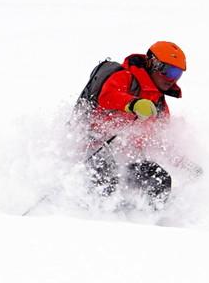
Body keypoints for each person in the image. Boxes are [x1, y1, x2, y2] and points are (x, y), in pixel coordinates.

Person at [76, 41, 189, 208]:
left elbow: (162, 140)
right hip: (94, 149)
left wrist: (183, 163)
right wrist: (133, 104)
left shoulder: (159, 103)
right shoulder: (125, 76)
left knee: (159, 179)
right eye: (168, 71)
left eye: (177, 74)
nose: (171, 79)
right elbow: (108, 96)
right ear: (152, 63)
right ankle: (92, 216)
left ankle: (145, 220)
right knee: (107, 179)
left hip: (128, 160)